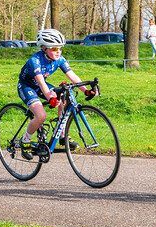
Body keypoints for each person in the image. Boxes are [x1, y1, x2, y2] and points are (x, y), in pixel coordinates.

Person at [16, 29, 97, 159]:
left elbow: (73, 76)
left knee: (63, 100)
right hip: (27, 86)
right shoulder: (35, 61)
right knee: (41, 115)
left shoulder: (60, 59)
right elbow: (41, 83)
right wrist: (51, 98)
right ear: (44, 48)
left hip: (41, 85)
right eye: (54, 48)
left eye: (60, 48)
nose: (58, 51)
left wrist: (86, 90)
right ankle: (25, 140)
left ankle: (61, 134)